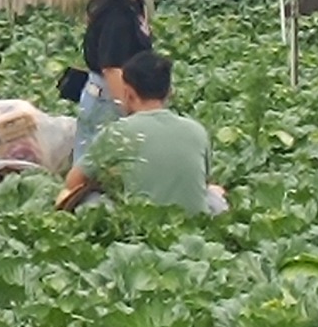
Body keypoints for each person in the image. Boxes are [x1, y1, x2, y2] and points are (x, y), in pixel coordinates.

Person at [57, 52, 214, 214]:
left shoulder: (118, 132)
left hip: (142, 226)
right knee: (214, 196)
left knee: (91, 200)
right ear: (169, 92)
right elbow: (205, 180)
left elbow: (73, 182)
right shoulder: (197, 130)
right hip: (193, 226)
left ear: (128, 93)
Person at [74, 0, 168, 162]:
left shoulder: (134, 5)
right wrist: (130, 108)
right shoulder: (117, 15)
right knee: (94, 171)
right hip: (110, 98)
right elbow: (111, 68)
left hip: (125, 93)